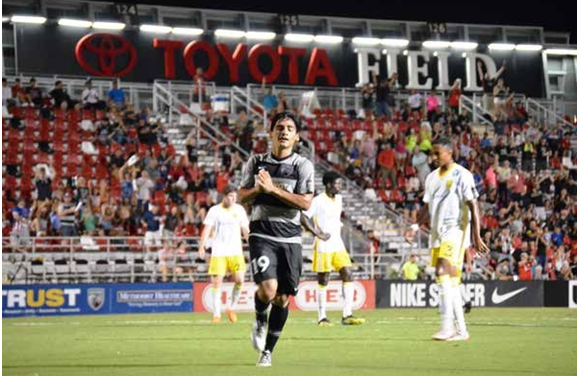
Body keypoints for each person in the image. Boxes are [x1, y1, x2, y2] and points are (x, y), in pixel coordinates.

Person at [239, 111, 314, 367]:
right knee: (268, 290)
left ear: (296, 136)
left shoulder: (302, 166)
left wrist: (272, 190)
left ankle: (267, 351)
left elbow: (305, 202)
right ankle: (260, 316)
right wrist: (258, 190)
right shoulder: (256, 162)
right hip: (262, 232)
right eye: (279, 127)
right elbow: (240, 197)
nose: (284, 131)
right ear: (271, 133)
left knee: (282, 298)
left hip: (291, 238)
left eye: (289, 128)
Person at [406, 137, 489, 341]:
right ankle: (461, 331)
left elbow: (473, 206)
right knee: (450, 281)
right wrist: (416, 226)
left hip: (456, 230)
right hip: (437, 233)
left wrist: (476, 236)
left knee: (442, 270)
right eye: (432, 154)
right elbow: (427, 206)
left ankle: (446, 326)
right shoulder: (432, 177)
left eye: (437, 153)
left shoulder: (463, 175)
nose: (433, 157)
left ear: (450, 153)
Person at [301, 171, 365, 326]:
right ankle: (322, 317)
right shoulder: (318, 200)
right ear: (329, 185)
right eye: (338, 184)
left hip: (338, 243)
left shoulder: (339, 199)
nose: (340, 187)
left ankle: (347, 315)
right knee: (324, 278)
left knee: (348, 273)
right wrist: (317, 233)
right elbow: (303, 216)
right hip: (323, 244)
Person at [198, 185, 249, 323]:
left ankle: (230, 308)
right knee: (217, 283)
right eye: (231, 196)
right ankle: (216, 315)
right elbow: (207, 229)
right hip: (219, 252)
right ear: (224, 196)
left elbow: (245, 229)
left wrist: (252, 243)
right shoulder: (215, 210)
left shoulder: (239, 210)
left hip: (236, 252)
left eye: (235, 196)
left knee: (240, 280)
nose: (234, 199)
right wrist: (201, 246)